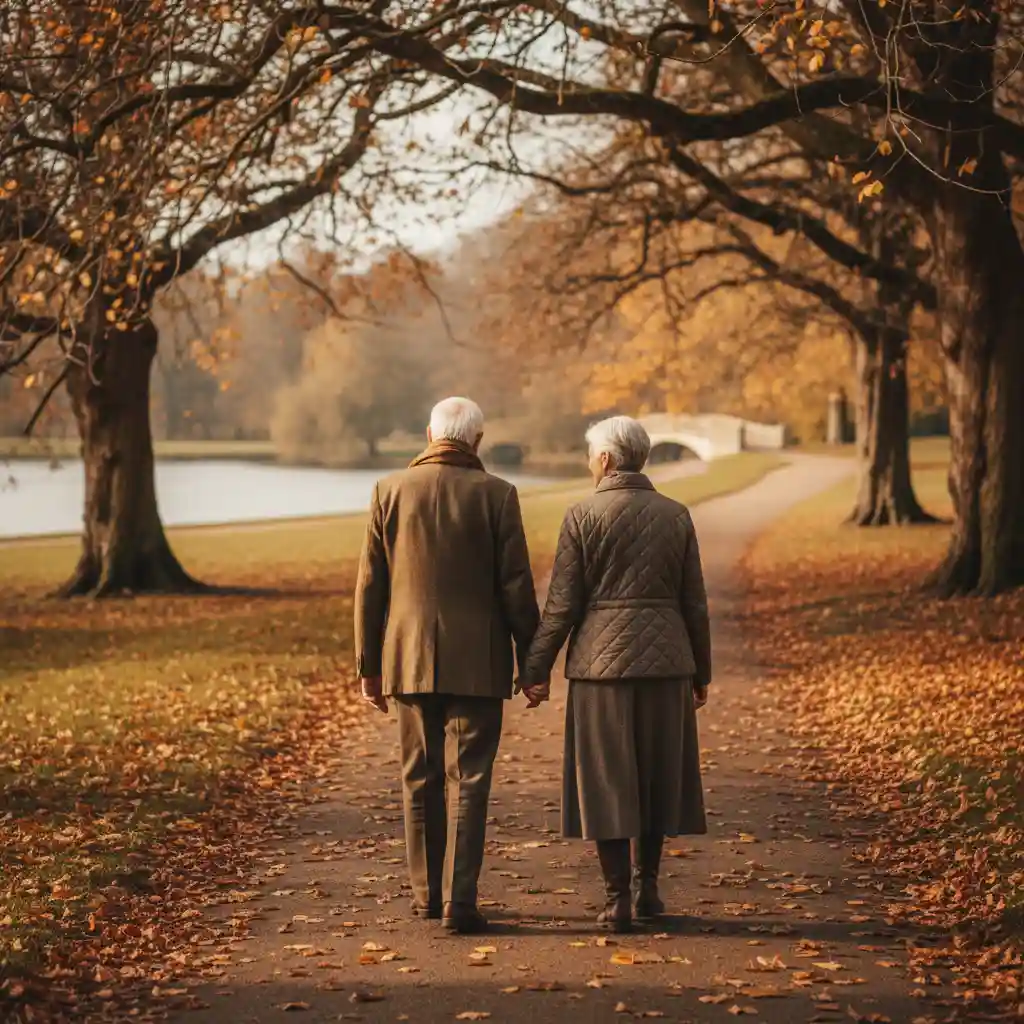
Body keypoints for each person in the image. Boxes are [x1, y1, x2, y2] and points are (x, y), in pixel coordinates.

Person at [355, 397, 540, 934]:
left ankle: (424, 896)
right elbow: (516, 587)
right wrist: (531, 662)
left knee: (420, 776)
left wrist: (368, 664)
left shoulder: (389, 491)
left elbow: (371, 586)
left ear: (428, 433)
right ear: (476, 441)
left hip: (408, 656)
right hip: (479, 659)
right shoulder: (498, 496)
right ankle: (462, 901)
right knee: (472, 778)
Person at [521, 415, 710, 933]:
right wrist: (702, 672)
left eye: (590, 454)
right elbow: (694, 602)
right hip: (668, 662)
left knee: (606, 782)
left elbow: (562, 605)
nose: (588, 462)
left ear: (605, 459)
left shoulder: (582, 514)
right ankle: (648, 888)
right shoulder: (676, 515)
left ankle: (617, 898)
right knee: (655, 777)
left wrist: (534, 670)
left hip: (600, 669)